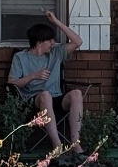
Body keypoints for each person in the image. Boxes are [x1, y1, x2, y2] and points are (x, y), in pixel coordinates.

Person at [7, 9, 84, 152]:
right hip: (33, 100)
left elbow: (78, 41)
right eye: (50, 40)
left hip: (56, 98)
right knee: (45, 95)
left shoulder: (56, 53)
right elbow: (12, 83)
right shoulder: (21, 57)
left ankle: (75, 143)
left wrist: (55, 21)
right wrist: (33, 76)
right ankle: (57, 145)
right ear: (40, 42)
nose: (53, 43)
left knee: (77, 93)